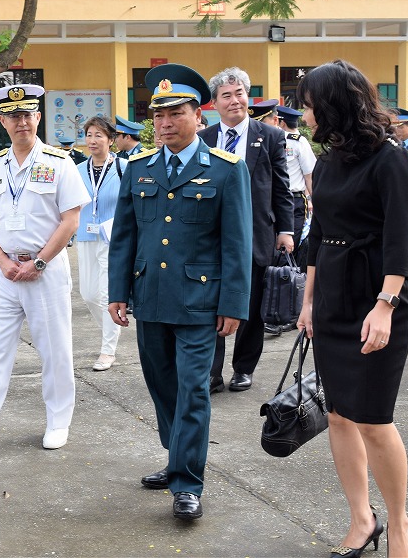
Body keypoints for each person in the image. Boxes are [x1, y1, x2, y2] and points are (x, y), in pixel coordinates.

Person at [108, 64, 252, 521]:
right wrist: (117, 291)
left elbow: (237, 243)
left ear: (198, 116)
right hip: (150, 296)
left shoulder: (227, 171)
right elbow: (124, 236)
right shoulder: (138, 167)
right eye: (158, 116)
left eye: (175, 114)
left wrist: (234, 303)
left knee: (193, 390)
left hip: (200, 301)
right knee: (162, 387)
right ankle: (177, 459)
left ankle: (187, 482)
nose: (165, 124)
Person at [295, 60, 408, 558]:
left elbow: (400, 239)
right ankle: (361, 520)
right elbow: (319, 235)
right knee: (340, 415)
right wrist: (307, 302)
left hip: (377, 293)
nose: (303, 116)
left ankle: (400, 525)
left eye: (308, 106)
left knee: (373, 418)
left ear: (334, 107)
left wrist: (386, 304)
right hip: (331, 296)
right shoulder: (326, 161)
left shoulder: (390, 160)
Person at [0, 84, 90, 456]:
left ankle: (59, 421)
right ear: (3, 121)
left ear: (38, 118)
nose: (21, 121)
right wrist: (3, 262)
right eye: (13, 115)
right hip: (4, 272)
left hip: (46, 269)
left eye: (28, 114)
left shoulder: (59, 162)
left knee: (54, 351)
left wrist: (39, 261)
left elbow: (70, 220)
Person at [199, 67, 293, 393]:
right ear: (214, 103)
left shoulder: (269, 137)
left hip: (255, 235)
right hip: (211, 238)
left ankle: (244, 368)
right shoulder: (202, 140)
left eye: (240, 93)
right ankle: (212, 371)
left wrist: (286, 230)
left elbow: (282, 189)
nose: (235, 100)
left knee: (250, 307)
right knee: (211, 303)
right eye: (226, 95)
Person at [75, 116, 127, 371]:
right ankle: (112, 327)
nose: (92, 140)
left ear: (110, 140)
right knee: (88, 294)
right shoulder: (76, 170)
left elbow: (132, 205)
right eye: (89, 135)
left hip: (112, 238)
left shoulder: (124, 168)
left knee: (107, 294)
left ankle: (108, 350)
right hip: (85, 235)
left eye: (98, 135)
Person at [273, 105, 315, 247]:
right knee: (291, 245)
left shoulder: (275, 139)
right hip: (294, 199)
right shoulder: (299, 141)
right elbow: (309, 176)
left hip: (280, 199)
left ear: (281, 122)